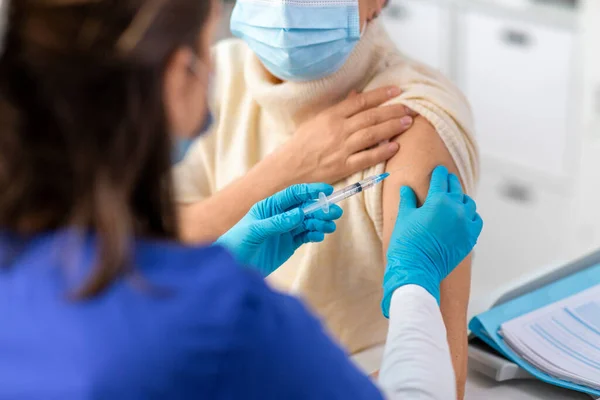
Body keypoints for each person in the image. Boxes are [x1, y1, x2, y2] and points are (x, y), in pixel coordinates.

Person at [0, 0, 484, 399]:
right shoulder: (228, 313)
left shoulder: (19, 254)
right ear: (176, 77)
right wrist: (415, 278)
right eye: (203, 47)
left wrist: (228, 254)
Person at [174, 0, 478, 396]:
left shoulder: (407, 116)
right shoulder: (211, 73)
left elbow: (444, 382)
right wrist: (289, 167)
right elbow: (159, 244)